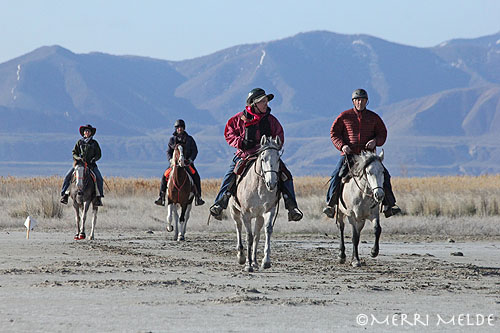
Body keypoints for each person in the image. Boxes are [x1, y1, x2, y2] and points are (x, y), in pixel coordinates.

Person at [209, 88, 303, 222]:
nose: (266, 104)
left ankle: (292, 206)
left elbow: (279, 135)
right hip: (245, 154)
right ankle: (220, 202)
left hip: (266, 156)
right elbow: (228, 133)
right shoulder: (238, 119)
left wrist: (273, 147)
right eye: (263, 101)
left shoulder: (271, 120)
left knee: (286, 175)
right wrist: (241, 142)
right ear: (254, 103)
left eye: (266, 101)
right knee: (230, 174)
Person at [323, 88, 401, 218]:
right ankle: (331, 205)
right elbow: (334, 134)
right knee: (337, 174)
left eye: (363, 100)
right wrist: (342, 146)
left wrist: (375, 141)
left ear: (367, 102)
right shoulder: (344, 116)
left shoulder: (374, 117)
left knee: (385, 175)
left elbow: (383, 134)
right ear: (353, 102)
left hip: (368, 157)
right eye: (358, 100)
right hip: (350, 155)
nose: (360, 102)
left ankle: (389, 205)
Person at [154, 119, 205, 206]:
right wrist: (170, 160)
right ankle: (161, 197)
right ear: (176, 129)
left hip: (187, 164)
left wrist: (190, 160)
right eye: (178, 127)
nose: (179, 129)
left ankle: (198, 197)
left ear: (184, 128)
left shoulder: (190, 139)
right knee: (164, 176)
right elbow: (168, 152)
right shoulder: (172, 140)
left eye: (181, 127)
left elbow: (195, 151)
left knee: (196, 176)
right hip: (174, 164)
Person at [60, 124, 104, 206]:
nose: (87, 132)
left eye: (88, 131)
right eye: (85, 131)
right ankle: (64, 194)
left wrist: (94, 159)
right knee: (68, 176)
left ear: (91, 133)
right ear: (83, 133)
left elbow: (99, 154)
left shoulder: (94, 143)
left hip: (91, 165)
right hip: (79, 165)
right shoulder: (79, 142)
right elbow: (74, 153)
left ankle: (98, 196)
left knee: (99, 178)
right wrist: (78, 158)